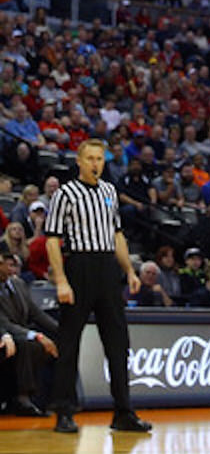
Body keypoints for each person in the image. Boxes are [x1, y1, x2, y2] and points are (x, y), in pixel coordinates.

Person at [44, 138, 152, 434]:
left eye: (99, 159)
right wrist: (61, 279)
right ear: (79, 161)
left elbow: (117, 235)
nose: (95, 164)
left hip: (107, 269)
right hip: (79, 266)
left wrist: (129, 269)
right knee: (69, 342)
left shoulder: (109, 192)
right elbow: (52, 238)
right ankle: (64, 411)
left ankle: (123, 412)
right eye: (89, 158)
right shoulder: (66, 193)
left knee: (118, 344)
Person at [0, 248, 58, 415]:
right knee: (28, 345)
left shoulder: (19, 284)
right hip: (7, 334)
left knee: (56, 343)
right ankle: (22, 398)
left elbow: (35, 312)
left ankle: (53, 399)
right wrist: (37, 335)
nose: (11, 269)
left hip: (19, 332)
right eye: (7, 265)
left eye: (14, 265)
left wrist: (60, 329)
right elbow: (4, 323)